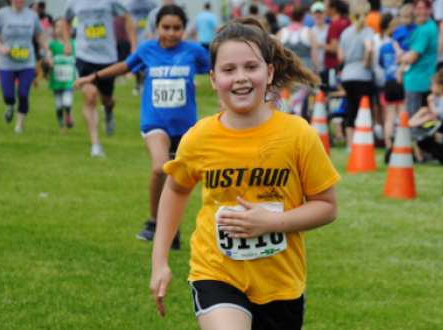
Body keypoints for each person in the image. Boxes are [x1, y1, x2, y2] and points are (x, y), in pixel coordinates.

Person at [148, 17, 333, 329]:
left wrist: (271, 222)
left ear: (270, 72)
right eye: (228, 69)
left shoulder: (298, 134)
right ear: (213, 78)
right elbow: (177, 190)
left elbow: (327, 206)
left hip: (280, 284)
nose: (240, 78)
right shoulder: (200, 137)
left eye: (251, 67)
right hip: (216, 272)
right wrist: (160, 261)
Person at [72, 5, 209, 248]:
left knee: (180, 179)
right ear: (156, 28)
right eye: (165, 27)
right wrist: (92, 78)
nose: (170, 33)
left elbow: (218, 68)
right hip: (155, 122)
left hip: (186, 128)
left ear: (183, 29)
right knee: (160, 168)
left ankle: (172, 230)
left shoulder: (193, 51)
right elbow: (125, 66)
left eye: (176, 28)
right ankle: (154, 222)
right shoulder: (147, 50)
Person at [66, 0, 137, 156]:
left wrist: (133, 45)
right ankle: (95, 145)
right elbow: (66, 20)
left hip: (107, 57)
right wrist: (67, 42)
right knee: (90, 96)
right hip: (84, 56)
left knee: (107, 100)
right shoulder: (73, 2)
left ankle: (108, 113)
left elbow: (127, 18)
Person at [0, 0, 46, 134]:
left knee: (23, 94)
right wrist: (1, 47)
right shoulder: (1, 14)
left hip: (27, 62)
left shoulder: (32, 15)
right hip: (6, 63)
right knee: (8, 95)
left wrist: (47, 52)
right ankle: (11, 105)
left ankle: (19, 126)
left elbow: (39, 35)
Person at [337, 3, 376, 153]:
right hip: (362, 76)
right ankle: (363, 142)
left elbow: (341, 57)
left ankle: (349, 145)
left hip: (347, 75)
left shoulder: (346, 33)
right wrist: (366, 62)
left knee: (351, 109)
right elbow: (369, 48)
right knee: (364, 111)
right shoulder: (368, 31)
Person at [399, 0, 438, 119]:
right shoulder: (421, 27)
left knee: (415, 120)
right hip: (418, 78)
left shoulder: (426, 29)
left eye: (425, 8)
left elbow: (412, 57)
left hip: (419, 80)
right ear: (414, 10)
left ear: (430, 10)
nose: (421, 12)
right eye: (419, 8)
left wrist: (400, 58)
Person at [278, 5, 317, 116]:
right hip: (303, 72)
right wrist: (316, 72)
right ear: (303, 17)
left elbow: (274, 53)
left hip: (286, 72)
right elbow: (314, 56)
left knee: (285, 100)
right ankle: (297, 118)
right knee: (299, 101)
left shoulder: (282, 32)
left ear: (290, 16)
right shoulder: (308, 32)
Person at [378, 12, 404, 149]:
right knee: (402, 115)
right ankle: (401, 144)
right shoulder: (404, 46)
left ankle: (389, 146)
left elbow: (381, 64)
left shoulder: (384, 47)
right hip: (401, 81)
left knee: (389, 117)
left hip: (389, 82)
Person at [47, 18, 76, 135]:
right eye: (57, 26)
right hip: (56, 80)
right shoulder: (52, 45)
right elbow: (47, 55)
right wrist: (49, 60)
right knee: (59, 106)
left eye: (63, 26)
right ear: (53, 29)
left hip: (69, 80)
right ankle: (61, 126)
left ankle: (68, 113)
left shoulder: (74, 44)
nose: (60, 29)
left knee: (67, 103)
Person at [125, 0, 156, 95]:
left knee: (150, 62)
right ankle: (138, 83)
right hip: (136, 39)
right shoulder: (129, 4)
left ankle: (148, 83)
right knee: (137, 61)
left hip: (149, 38)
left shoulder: (151, 3)